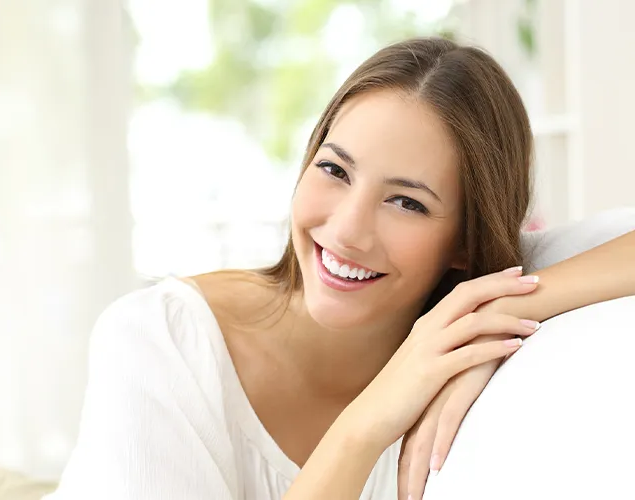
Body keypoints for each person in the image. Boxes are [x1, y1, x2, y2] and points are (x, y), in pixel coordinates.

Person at [45, 37, 635, 500]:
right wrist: (365, 425)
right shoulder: (159, 340)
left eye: (407, 202)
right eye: (335, 170)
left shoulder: (472, 300)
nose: (348, 230)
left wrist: (514, 303)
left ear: (465, 241)